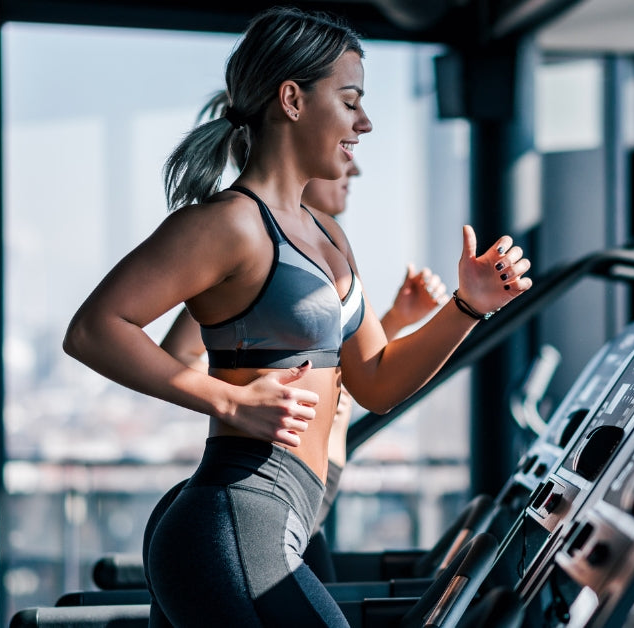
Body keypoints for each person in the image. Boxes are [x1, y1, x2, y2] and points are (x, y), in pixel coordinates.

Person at [62, 7, 532, 627]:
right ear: (292, 98)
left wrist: (467, 307)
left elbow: (377, 382)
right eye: (350, 101)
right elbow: (95, 329)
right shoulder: (229, 224)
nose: (365, 123)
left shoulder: (329, 236)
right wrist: (226, 402)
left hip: (285, 518)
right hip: (235, 516)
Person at [158, 162, 449, 583]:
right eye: (344, 159)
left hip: (310, 486)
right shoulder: (250, 250)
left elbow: (338, 364)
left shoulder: (325, 242)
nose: (356, 169)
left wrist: (397, 319)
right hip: (265, 483)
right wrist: (237, 399)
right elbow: (184, 350)